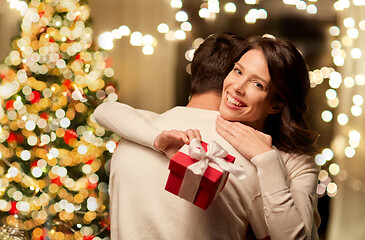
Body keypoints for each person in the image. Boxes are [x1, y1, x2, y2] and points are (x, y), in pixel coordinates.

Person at [94, 33, 278, 239]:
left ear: (195, 73)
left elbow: (108, 111)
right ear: (231, 77)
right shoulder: (249, 159)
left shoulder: (129, 140)